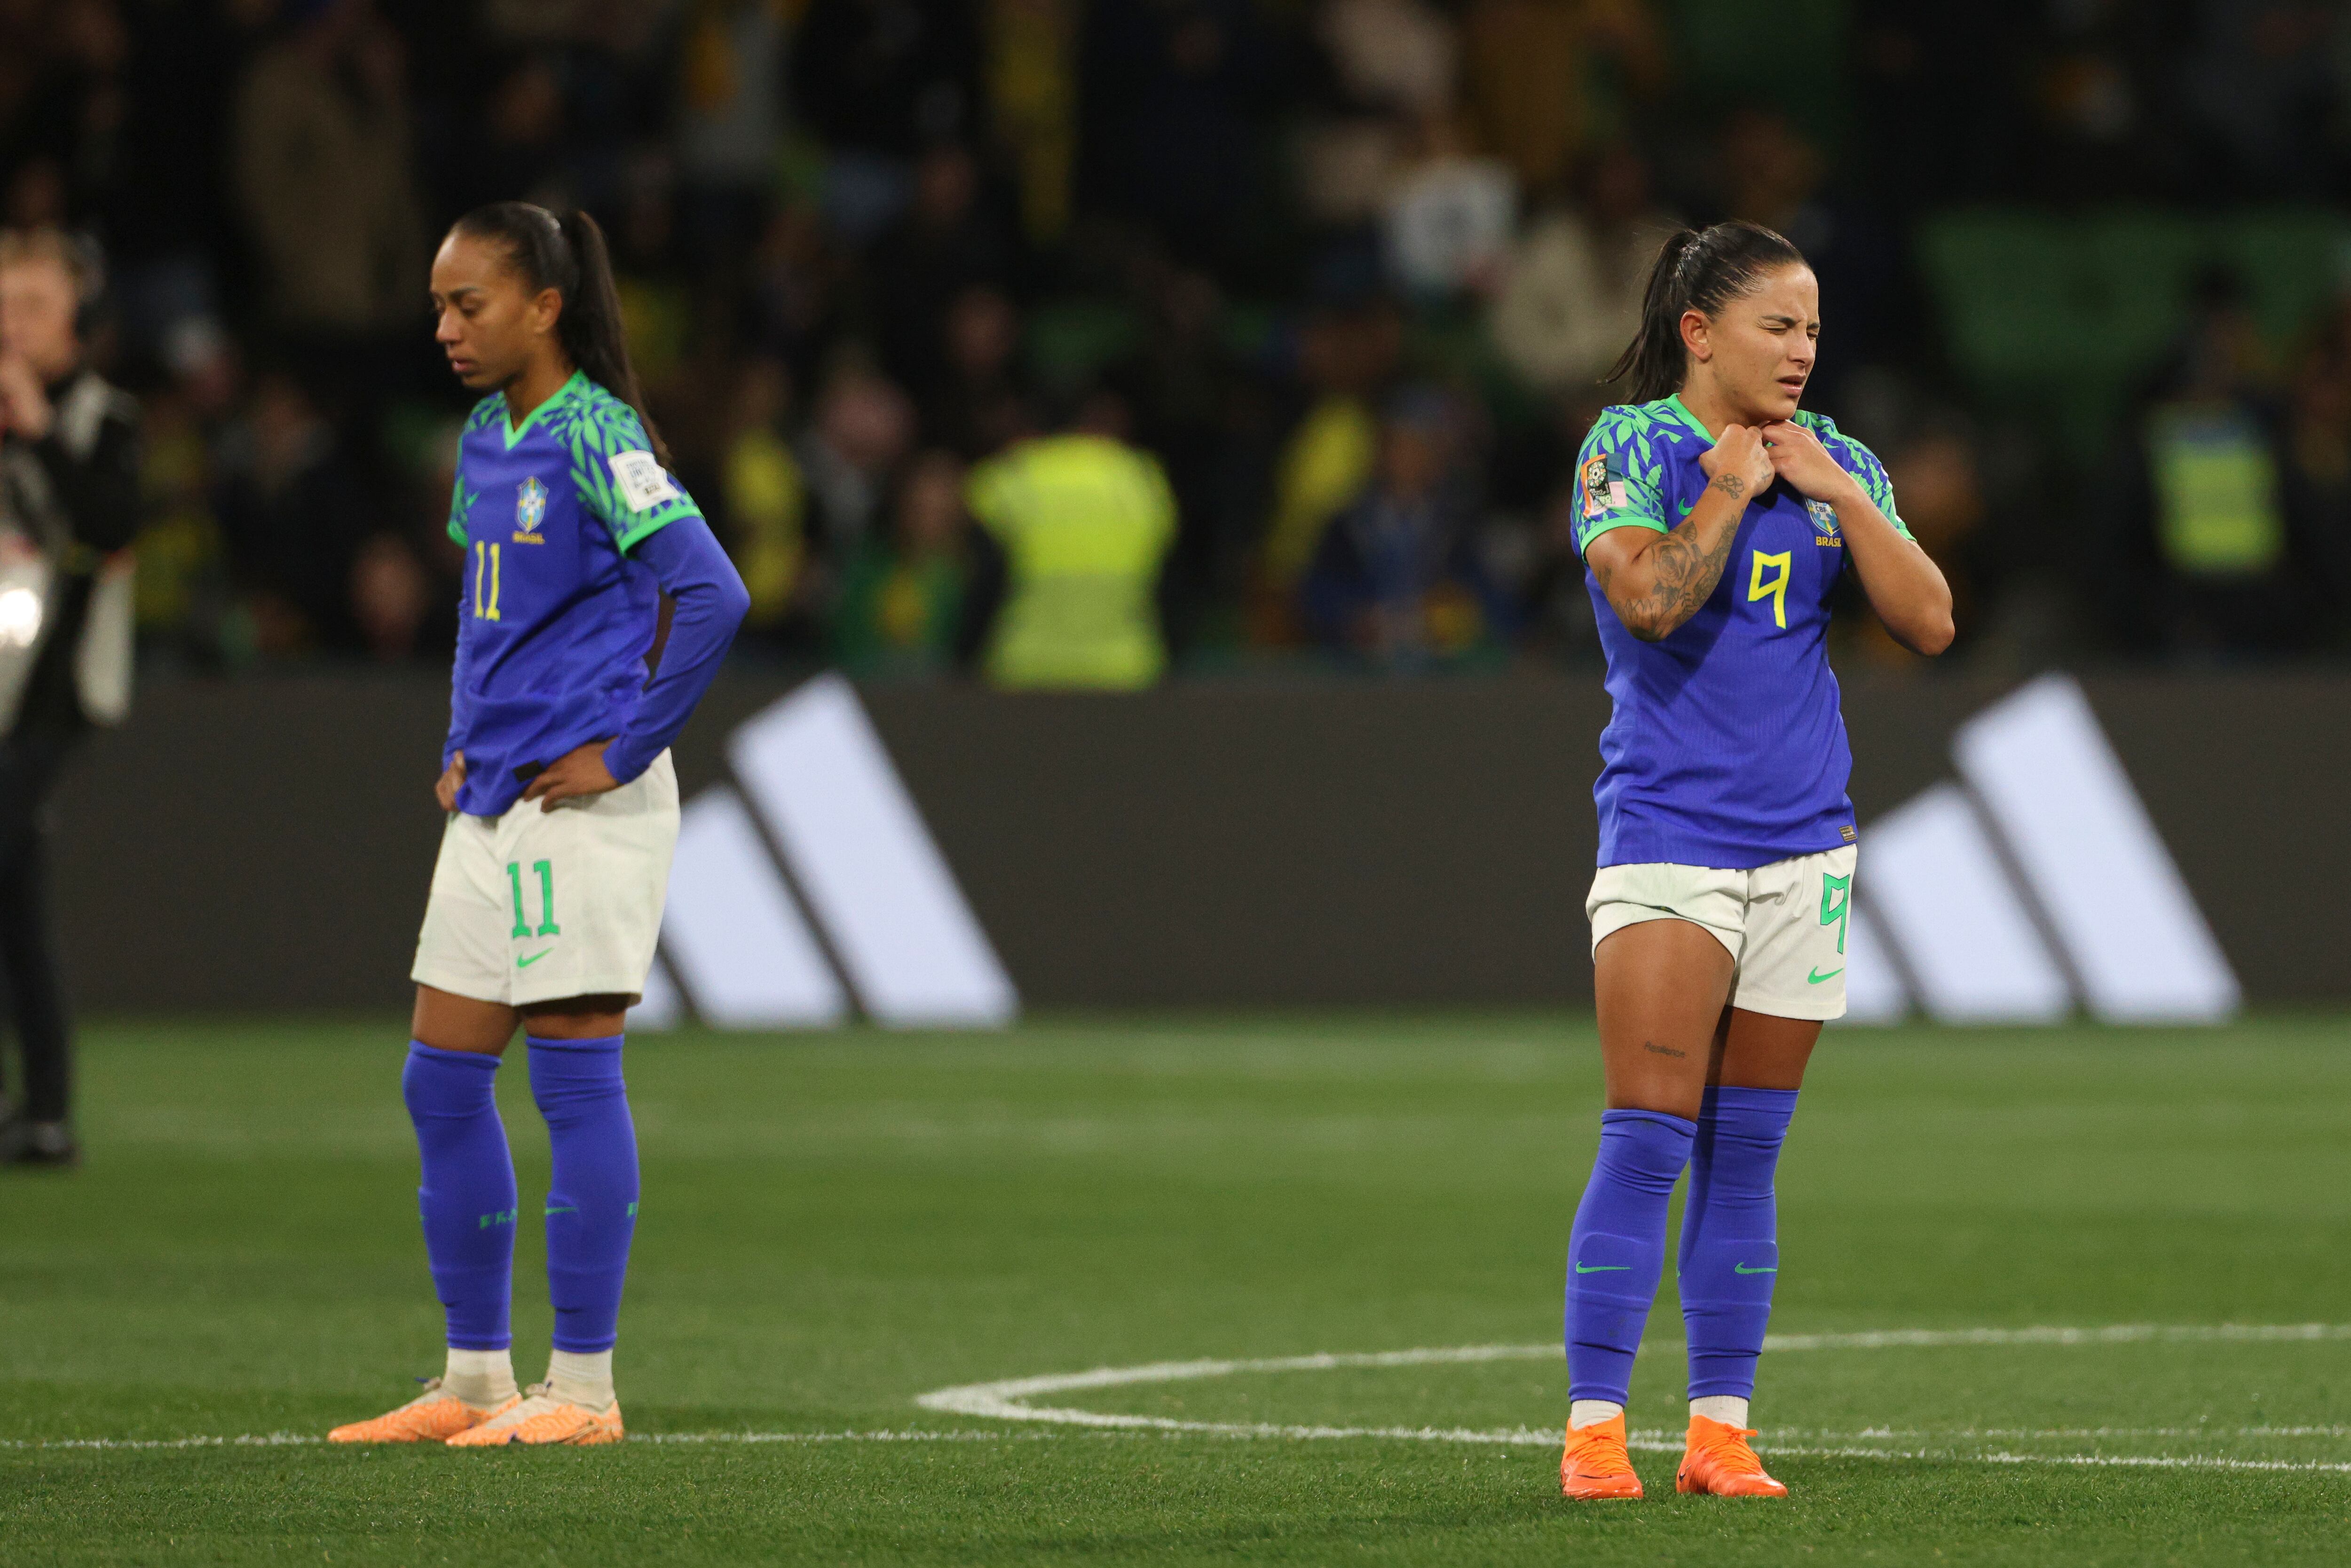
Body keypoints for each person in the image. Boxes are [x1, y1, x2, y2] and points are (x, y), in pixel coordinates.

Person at [327, 203, 749, 1448]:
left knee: (572, 1082)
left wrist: (627, 746)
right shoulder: (482, 437)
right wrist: (462, 737)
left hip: (586, 802)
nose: (446, 329)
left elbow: (710, 591)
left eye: (470, 305)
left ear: (545, 309)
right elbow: (484, 606)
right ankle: (473, 1380)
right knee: (440, 1080)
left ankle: (585, 1390)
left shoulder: (597, 434)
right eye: (440, 306)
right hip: (498, 791)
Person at [1554, 221, 1952, 1500]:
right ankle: (1596, 1432)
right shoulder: (1631, 448)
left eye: (1815, 330)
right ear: (1699, 331)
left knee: (1750, 1146)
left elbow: (1932, 621)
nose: (1803, 351)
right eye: (1779, 327)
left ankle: (1721, 1433)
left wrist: (1834, 490)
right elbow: (1655, 602)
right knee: (1649, 1139)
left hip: (1807, 844)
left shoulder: (1838, 458)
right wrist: (1730, 486)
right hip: (1672, 835)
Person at [0, 229, 139, 1169]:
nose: (15, 325)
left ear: (79, 322)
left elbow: (105, 528)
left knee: (12, 866)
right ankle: (41, 1112)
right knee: (15, 891)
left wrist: (38, 429)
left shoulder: (103, 418)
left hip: (57, 696)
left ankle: (46, 1106)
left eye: (36, 307)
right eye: (5, 306)